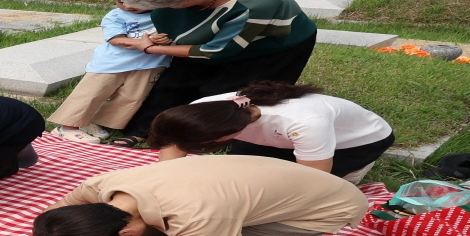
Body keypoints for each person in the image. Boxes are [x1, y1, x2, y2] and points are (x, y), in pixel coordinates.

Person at [31, 155, 370, 236]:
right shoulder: (102, 185)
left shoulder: (196, 215)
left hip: (329, 206)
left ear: (128, 233)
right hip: (280, 181)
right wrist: (52, 235)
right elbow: (59, 208)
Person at [114, 0, 320, 139]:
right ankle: (148, 130)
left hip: (270, 46)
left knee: (226, 93)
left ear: (183, 1)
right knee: (173, 83)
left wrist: (149, 48)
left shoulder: (255, 7)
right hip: (208, 40)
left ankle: (208, 136)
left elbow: (213, 52)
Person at [149, 81, 396, 181]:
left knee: (321, 190)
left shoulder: (304, 123)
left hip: (355, 141)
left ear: (223, 137)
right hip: (278, 137)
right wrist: (163, 181)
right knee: (235, 176)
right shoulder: (203, 110)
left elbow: (311, 179)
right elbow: (174, 145)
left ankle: (355, 173)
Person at [46, 0, 171, 143]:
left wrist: (164, 40)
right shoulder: (115, 15)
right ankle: (67, 127)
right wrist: (143, 43)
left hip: (151, 64)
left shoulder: (164, 13)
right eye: (120, 1)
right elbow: (116, 39)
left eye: (135, 2)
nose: (127, 6)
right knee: (92, 93)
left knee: (131, 97)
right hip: (112, 62)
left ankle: (93, 122)